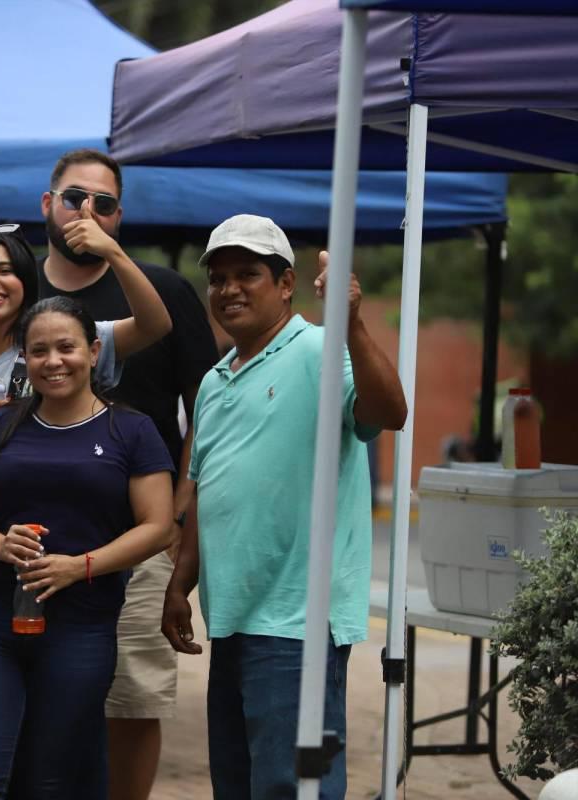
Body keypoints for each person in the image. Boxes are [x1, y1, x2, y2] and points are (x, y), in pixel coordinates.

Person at [161, 215, 407, 799]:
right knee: (241, 785)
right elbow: (205, 486)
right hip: (235, 615)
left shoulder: (323, 349)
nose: (229, 290)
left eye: (248, 274)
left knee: (292, 787)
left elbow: (390, 411)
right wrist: (181, 582)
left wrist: (353, 326)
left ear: (286, 282)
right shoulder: (215, 381)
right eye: (218, 279)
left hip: (299, 618)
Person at [36, 148, 218, 800]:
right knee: (37, 688)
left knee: (134, 694)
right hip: (35, 532)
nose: (87, 212)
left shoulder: (162, 290)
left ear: (120, 215)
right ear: (45, 206)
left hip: (140, 531)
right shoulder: (16, 285)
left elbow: (208, 407)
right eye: (73, 198)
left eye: (103, 203)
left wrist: (177, 510)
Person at [0, 296, 174, 799]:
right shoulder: (0, 425)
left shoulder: (130, 429)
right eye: (38, 350)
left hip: (82, 623)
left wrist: (80, 567)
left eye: (66, 347)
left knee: (51, 782)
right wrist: (0, 544)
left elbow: (158, 526)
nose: (53, 361)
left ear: (94, 351)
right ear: (24, 359)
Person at [0, 221, 169, 418]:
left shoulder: (64, 339)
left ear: (25, 280)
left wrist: (113, 252)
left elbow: (154, 325)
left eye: (5, 271)